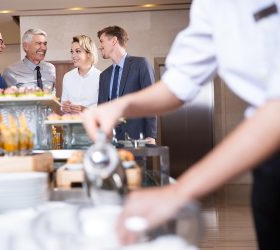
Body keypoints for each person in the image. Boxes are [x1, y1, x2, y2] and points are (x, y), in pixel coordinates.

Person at [82, 1, 280, 249]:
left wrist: (176, 193)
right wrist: (121, 106)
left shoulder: (139, 63)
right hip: (269, 167)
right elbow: (179, 81)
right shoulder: (210, 6)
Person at [97, 25, 157, 142]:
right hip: (109, 140)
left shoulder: (141, 65)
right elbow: (101, 108)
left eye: (101, 41)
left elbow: (151, 101)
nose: (100, 47)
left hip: (136, 138)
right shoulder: (104, 75)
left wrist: (151, 135)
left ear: (114, 40)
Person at [61, 35, 101, 114]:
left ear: (89, 54)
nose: (73, 55)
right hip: (71, 124)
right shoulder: (67, 77)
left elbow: (105, 107)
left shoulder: (101, 77)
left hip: (92, 124)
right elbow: (63, 105)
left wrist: (86, 110)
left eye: (78, 51)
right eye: (72, 52)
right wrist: (64, 107)